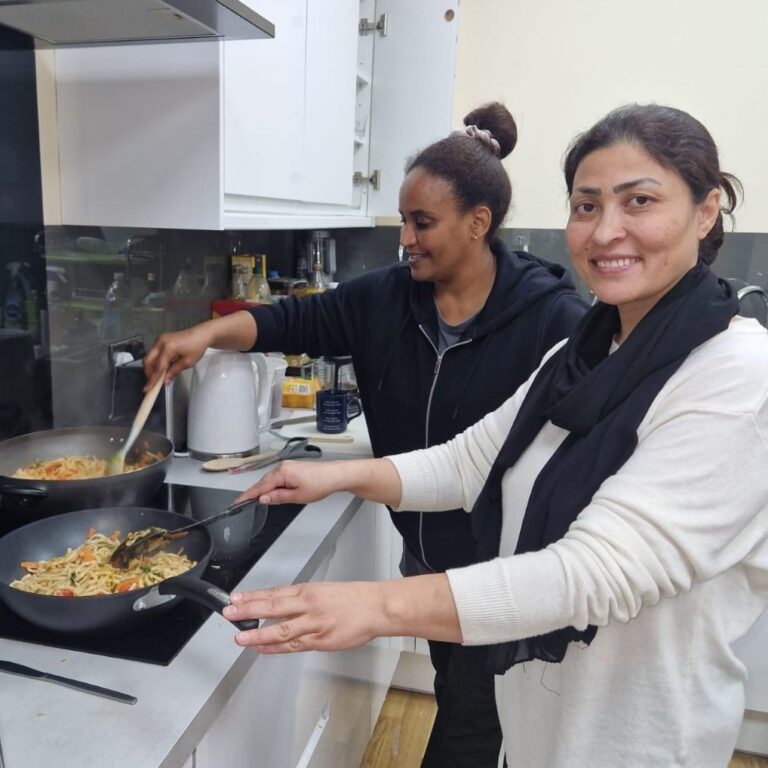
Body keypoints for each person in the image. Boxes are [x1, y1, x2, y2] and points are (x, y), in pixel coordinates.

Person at [221, 104, 768, 768]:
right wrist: (336, 475)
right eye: (586, 206)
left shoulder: (736, 371)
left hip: (636, 742)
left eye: (640, 201)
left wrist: (376, 605)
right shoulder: (588, 348)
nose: (606, 231)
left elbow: (595, 572)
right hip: (537, 726)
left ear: (706, 212)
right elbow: (468, 461)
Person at [144, 102, 588, 767]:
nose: (405, 238)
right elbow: (282, 324)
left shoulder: (554, 320)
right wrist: (204, 335)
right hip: (426, 563)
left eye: (423, 223)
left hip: (502, 576)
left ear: (478, 223)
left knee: (470, 730)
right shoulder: (384, 298)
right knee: (463, 703)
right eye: (404, 220)